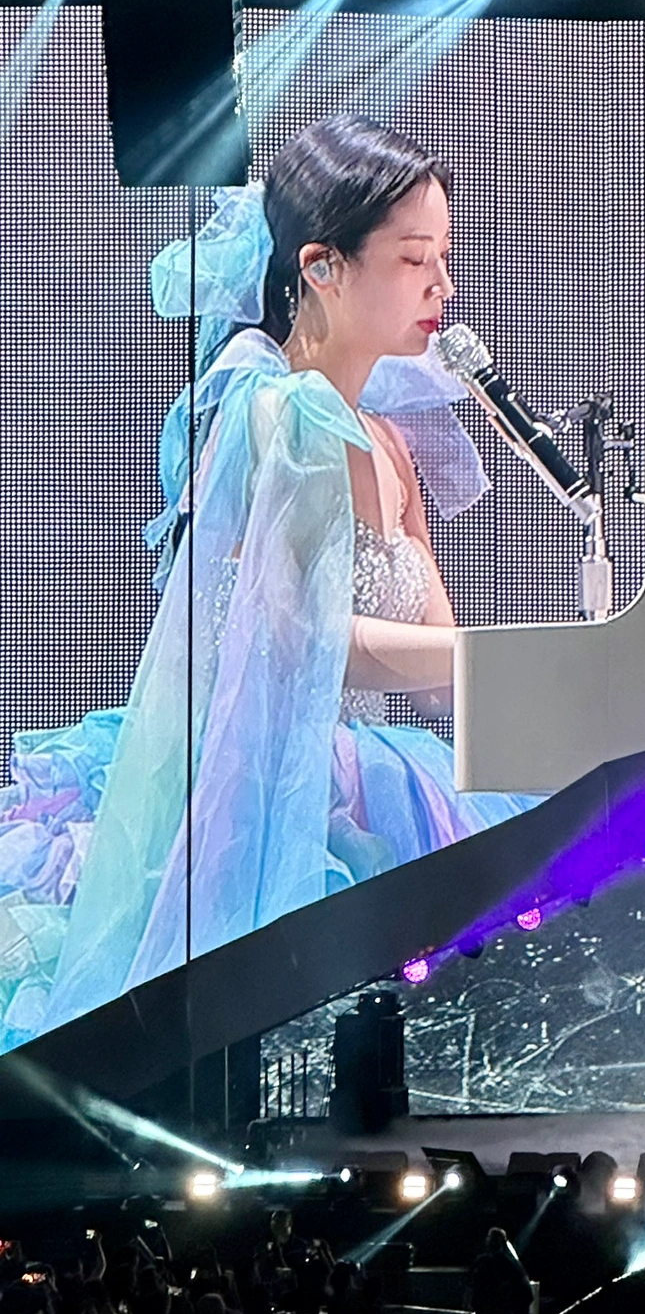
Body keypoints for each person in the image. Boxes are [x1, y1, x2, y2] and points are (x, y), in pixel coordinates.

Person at [0, 115, 544, 1044]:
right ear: (322, 267)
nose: (443, 288)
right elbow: (304, 639)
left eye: (445, 258)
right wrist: (506, 658)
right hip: (264, 781)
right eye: (415, 259)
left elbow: (439, 666)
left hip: (363, 775)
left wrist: (556, 678)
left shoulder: (391, 441)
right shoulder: (270, 412)